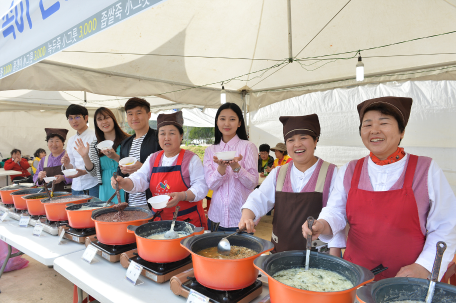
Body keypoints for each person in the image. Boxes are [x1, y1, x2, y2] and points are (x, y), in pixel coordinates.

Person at [302, 96, 456, 281]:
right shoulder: (350, 170)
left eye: (384, 122)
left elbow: (446, 225)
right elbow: (336, 210)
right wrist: (323, 225)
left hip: (409, 278)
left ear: (402, 131)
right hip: (356, 275)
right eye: (367, 125)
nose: (374, 130)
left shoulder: (426, 169)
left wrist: (424, 266)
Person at [239, 114, 344, 255]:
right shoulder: (278, 173)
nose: (297, 144)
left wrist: (334, 253)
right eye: (291, 140)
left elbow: (337, 213)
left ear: (316, 140)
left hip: (318, 256)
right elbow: (259, 198)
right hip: (280, 252)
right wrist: (247, 216)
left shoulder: (331, 173)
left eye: (303, 138)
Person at [112, 111, 208, 227]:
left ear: (181, 136)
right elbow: (140, 178)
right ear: (158, 137)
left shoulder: (191, 159)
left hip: (188, 221)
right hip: (160, 221)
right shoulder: (153, 158)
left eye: (172, 133)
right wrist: (124, 182)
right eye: (162, 133)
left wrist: (183, 195)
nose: (166, 138)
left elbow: (201, 187)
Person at [203, 103, 258, 231]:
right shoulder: (211, 150)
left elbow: (252, 183)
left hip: (241, 219)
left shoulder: (248, 147)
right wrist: (221, 168)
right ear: (217, 122)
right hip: (216, 217)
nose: (227, 123)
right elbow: (211, 185)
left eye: (232, 119)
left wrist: (235, 166)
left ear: (239, 123)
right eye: (222, 119)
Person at [73, 107, 130, 203]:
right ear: (96, 124)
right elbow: (94, 172)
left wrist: (114, 156)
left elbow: (131, 164)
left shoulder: (127, 140)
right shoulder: (95, 145)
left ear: (113, 119)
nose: (104, 122)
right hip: (106, 186)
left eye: (107, 117)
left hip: (125, 182)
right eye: (100, 119)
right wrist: (85, 156)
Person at [117, 97, 160, 208]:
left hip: (153, 202)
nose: (134, 117)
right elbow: (120, 170)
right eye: (130, 114)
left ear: (149, 115)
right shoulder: (125, 143)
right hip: (131, 203)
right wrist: (116, 179)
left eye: (139, 113)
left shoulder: (158, 138)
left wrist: (142, 167)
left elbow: (167, 168)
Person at [62, 104, 99, 197]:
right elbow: (72, 166)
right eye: (70, 118)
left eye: (77, 117)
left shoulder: (96, 135)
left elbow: (99, 163)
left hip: (93, 184)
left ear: (86, 117)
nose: (74, 121)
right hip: (76, 186)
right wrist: (67, 165)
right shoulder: (71, 140)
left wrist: (84, 172)